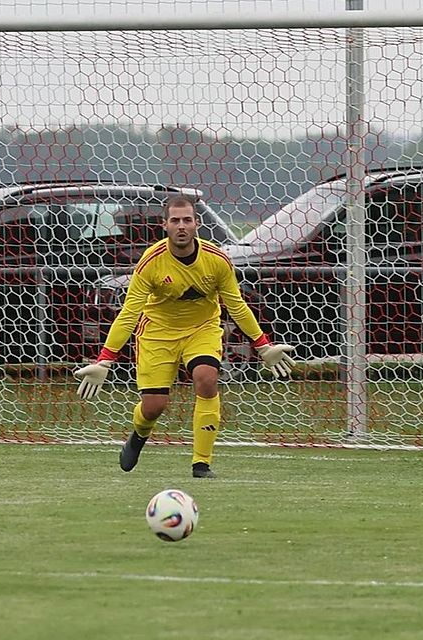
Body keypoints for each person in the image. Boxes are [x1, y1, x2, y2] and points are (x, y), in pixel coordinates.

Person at [74, 195, 295, 478]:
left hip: (202, 330)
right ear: (165, 225)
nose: (182, 226)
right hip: (157, 334)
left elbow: (237, 305)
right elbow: (129, 313)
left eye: (187, 220)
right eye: (175, 220)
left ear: (196, 224)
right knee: (154, 407)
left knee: (207, 379)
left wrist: (263, 346)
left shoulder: (216, 260)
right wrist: (105, 360)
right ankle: (139, 435)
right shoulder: (151, 261)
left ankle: (201, 464)